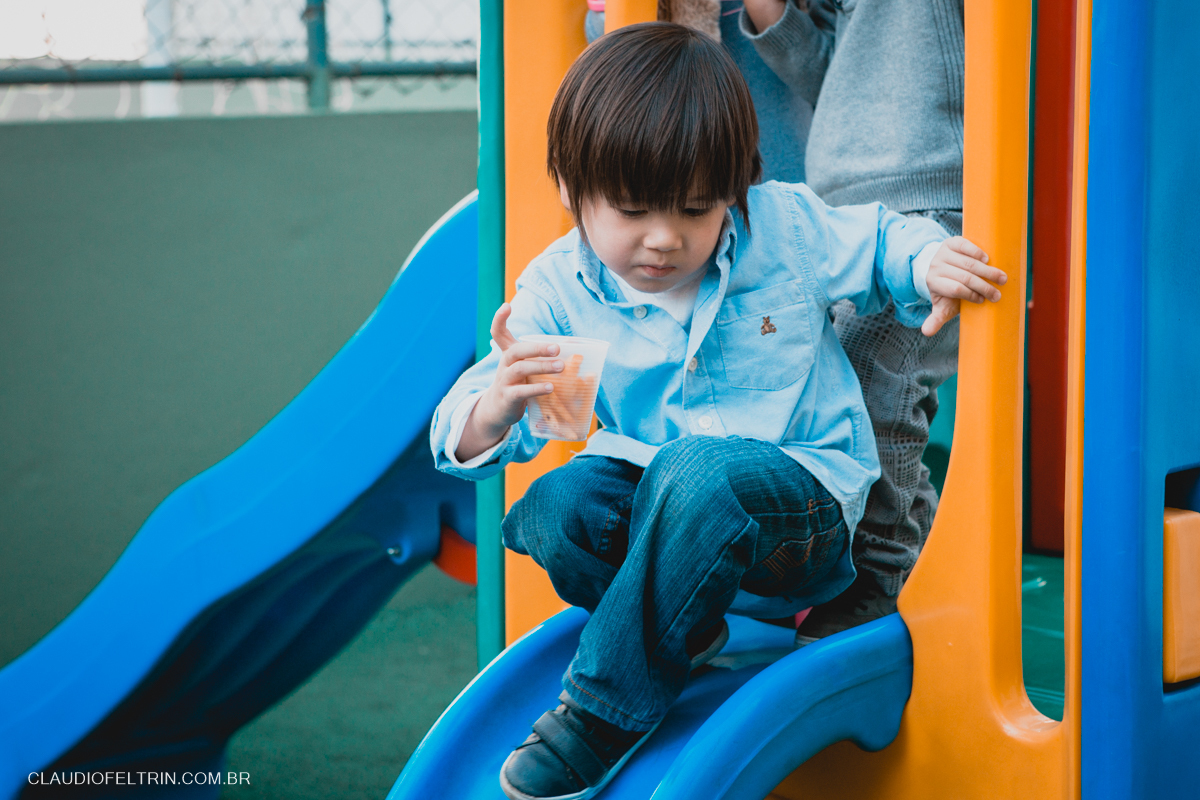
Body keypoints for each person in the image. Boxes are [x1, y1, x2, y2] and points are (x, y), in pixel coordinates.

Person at [429, 22, 1002, 800]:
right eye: (632, 211)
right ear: (572, 190)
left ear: (733, 194)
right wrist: (496, 407)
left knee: (697, 469)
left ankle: (602, 712)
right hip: (671, 525)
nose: (663, 240)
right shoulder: (559, 291)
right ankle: (686, 631)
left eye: (695, 212)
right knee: (558, 505)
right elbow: (489, 430)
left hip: (797, 518)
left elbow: (873, 240)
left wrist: (927, 258)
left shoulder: (782, 230)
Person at [738, 0, 967, 643]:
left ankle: (882, 572)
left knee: (880, 378)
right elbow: (828, 76)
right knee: (824, 385)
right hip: (845, 217)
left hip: (933, 197)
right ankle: (866, 552)